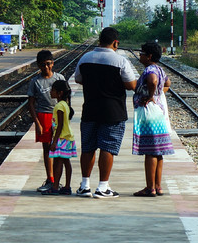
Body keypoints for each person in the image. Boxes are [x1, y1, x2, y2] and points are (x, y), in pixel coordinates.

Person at [72, 27, 138, 198]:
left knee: (88, 147)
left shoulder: (85, 58)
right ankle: (102, 187)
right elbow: (132, 85)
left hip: (90, 109)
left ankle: (84, 186)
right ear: (116, 43)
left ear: (99, 40)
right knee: (107, 147)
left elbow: (78, 79)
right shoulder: (120, 61)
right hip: (113, 111)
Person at [132, 42, 174, 197]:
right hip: (158, 113)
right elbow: (167, 83)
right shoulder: (160, 69)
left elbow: (153, 81)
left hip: (149, 114)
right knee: (158, 152)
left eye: (142, 53)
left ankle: (150, 188)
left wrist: (150, 96)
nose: (140, 55)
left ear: (149, 56)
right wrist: (157, 94)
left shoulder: (150, 69)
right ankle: (158, 186)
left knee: (150, 151)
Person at [27, 50, 65, 193]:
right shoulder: (35, 82)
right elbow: (31, 103)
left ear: (52, 63)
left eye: (48, 64)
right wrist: (37, 123)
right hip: (43, 116)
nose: (46, 68)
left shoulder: (59, 78)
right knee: (47, 149)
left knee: (58, 149)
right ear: (38, 66)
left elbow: (66, 99)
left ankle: (57, 179)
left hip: (58, 115)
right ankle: (50, 178)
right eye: (43, 65)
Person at [42, 79, 76, 195]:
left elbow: (60, 125)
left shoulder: (59, 106)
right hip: (67, 137)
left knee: (59, 162)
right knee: (66, 162)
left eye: (53, 90)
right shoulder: (65, 104)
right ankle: (67, 186)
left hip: (61, 138)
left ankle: (55, 187)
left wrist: (54, 142)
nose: (50, 92)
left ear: (60, 93)